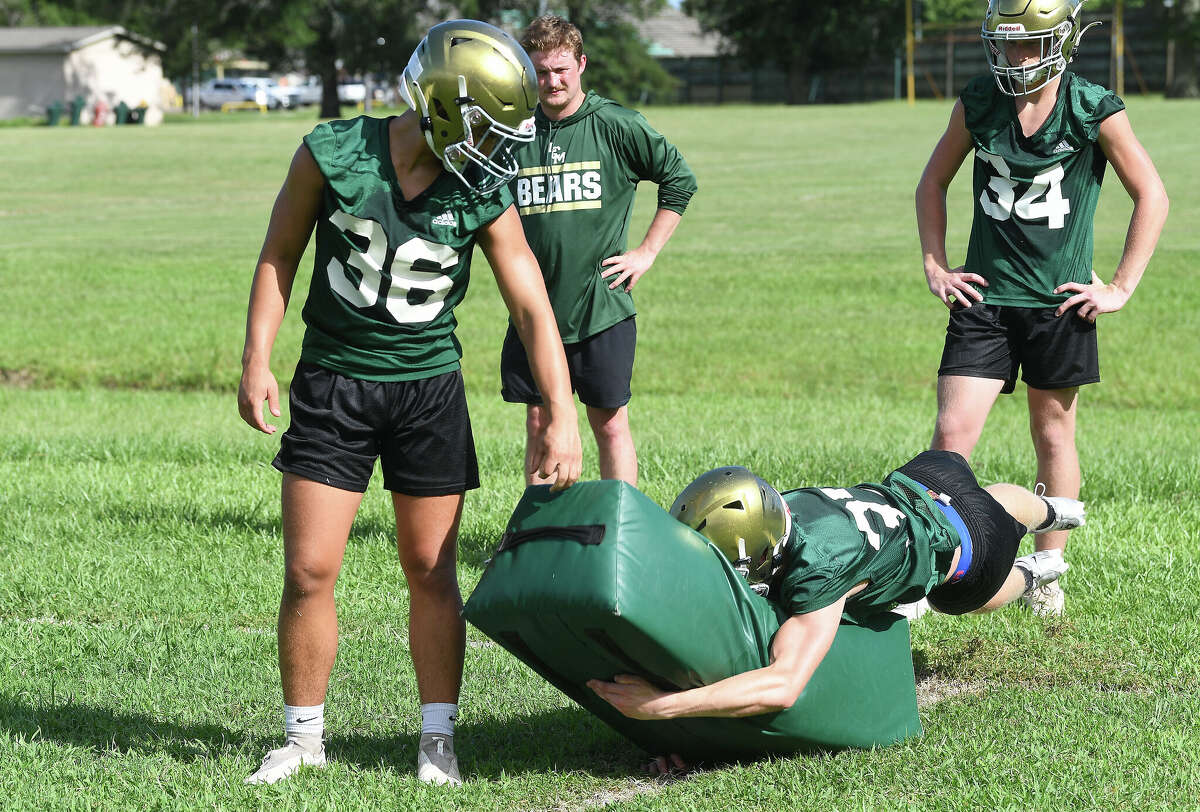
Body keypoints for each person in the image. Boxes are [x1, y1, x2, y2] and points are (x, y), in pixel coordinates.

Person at [237, 20, 582, 787]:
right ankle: (302, 740)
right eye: (490, 127)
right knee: (309, 569)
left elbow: (530, 303)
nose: (498, 148)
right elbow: (279, 254)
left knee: (431, 568)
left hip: (428, 391)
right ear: (447, 108)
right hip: (333, 383)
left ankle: (436, 739)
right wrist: (257, 357)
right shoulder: (331, 153)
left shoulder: (481, 186)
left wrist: (560, 409)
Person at [587, 450, 1083, 771]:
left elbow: (783, 686)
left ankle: (1037, 571)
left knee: (958, 593)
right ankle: (1057, 511)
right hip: (926, 475)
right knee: (987, 500)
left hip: (964, 547)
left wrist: (663, 706)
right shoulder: (784, 507)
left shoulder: (818, 572)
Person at [914, 0, 1168, 615]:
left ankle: (1047, 570)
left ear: (1061, 41)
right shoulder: (977, 102)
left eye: (1030, 45)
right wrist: (934, 263)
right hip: (985, 300)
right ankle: (926, 568)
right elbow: (932, 183)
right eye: (1007, 43)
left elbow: (1151, 195)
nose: (1017, 56)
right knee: (950, 437)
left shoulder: (1093, 108)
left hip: (1059, 303)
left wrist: (1121, 288)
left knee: (1052, 431)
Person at [500, 14, 698, 487]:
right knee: (539, 421)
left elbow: (679, 181)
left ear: (581, 64)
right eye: (542, 71)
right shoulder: (512, 132)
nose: (553, 80)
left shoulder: (616, 124)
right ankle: (541, 528)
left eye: (562, 69)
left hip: (600, 305)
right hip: (533, 307)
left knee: (608, 423)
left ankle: (618, 527)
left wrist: (646, 252)